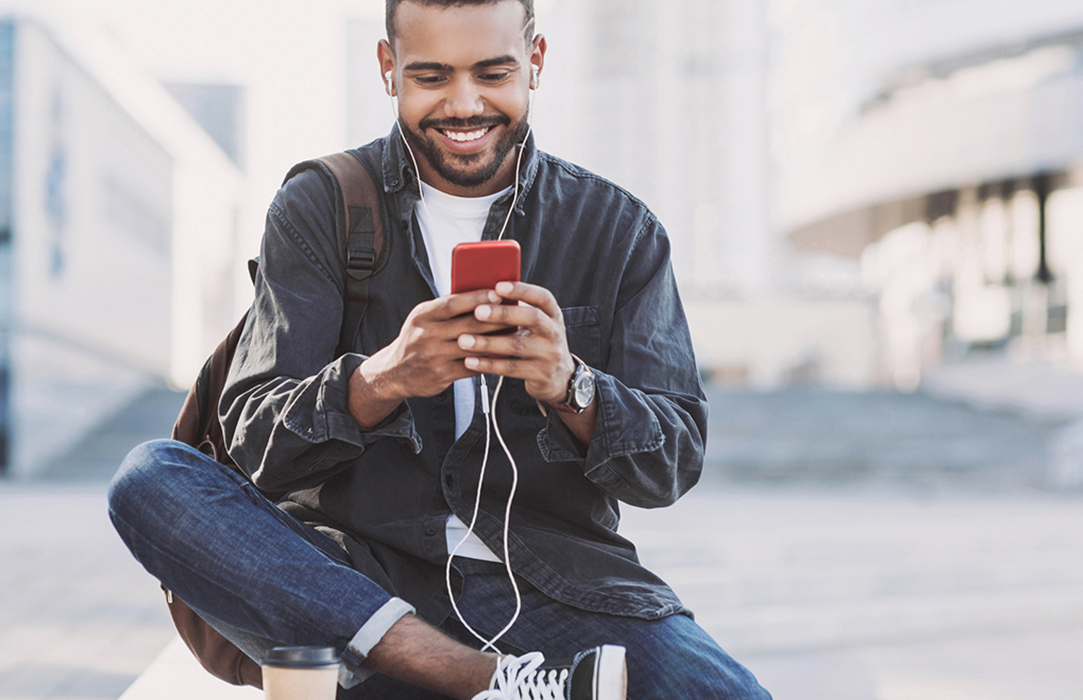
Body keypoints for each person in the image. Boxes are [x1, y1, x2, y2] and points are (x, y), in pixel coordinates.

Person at [107, 0, 770, 697]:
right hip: (354, 582)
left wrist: (569, 385)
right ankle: (486, 682)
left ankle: (482, 682)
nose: (464, 104)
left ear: (535, 62)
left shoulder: (617, 231)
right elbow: (251, 446)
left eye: (492, 73)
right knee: (149, 478)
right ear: (388, 69)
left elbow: (671, 463)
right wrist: (381, 380)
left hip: (561, 587)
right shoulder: (321, 206)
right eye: (431, 76)